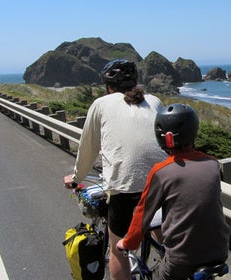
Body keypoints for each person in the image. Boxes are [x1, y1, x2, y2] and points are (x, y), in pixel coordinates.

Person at [63, 59, 166, 280]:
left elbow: (88, 149)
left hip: (125, 188)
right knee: (159, 220)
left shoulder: (101, 104)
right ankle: (167, 257)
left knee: (118, 249)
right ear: (136, 81)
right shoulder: (155, 101)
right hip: (165, 183)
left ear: (109, 87)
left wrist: (77, 177)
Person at [117, 103, 231, 280]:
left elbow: (143, 214)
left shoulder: (161, 171)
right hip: (220, 251)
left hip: (182, 258)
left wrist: (128, 243)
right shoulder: (212, 164)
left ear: (163, 138)